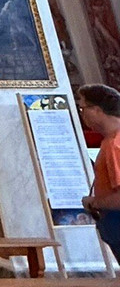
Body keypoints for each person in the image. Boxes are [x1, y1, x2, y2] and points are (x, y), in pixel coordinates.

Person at [78, 84, 120, 259]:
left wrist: (94, 203)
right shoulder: (110, 140)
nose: (82, 113)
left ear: (96, 110)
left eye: (82, 108)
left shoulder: (114, 145)